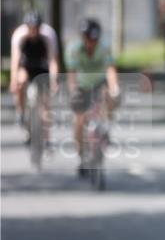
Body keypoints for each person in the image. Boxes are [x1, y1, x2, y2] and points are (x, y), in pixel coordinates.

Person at [67, 19, 119, 176]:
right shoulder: (74, 49)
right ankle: (81, 157)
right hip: (82, 85)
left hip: (98, 82)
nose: (91, 43)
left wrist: (115, 87)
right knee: (78, 120)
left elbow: (110, 69)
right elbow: (72, 74)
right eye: (88, 39)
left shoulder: (104, 47)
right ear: (83, 38)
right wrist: (73, 90)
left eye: (94, 40)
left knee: (108, 95)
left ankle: (106, 127)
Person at [8, 12, 59, 140]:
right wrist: (13, 81)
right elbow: (15, 61)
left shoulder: (48, 35)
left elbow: (53, 60)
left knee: (45, 104)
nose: (33, 31)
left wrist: (54, 81)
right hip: (26, 66)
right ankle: (21, 112)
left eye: (36, 28)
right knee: (20, 81)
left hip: (42, 67)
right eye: (31, 28)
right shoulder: (19, 35)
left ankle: (47, 140)